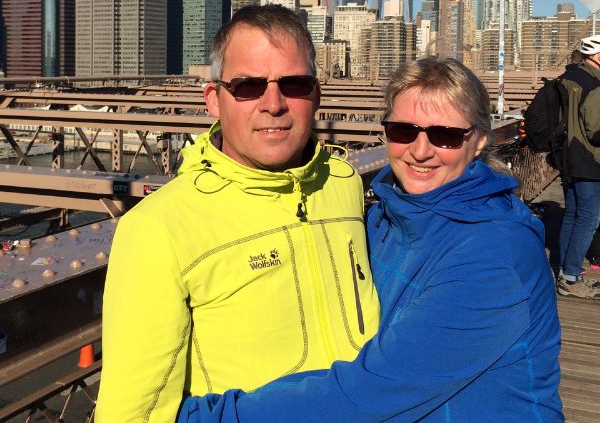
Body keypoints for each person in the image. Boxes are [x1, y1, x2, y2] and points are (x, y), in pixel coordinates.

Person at [178, 58, 563, 422]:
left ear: (478, 141)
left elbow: (369, 394)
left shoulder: (496, 254)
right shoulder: (384, 219)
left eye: (445, 136)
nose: (420, 151)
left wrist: (208, 415)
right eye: (403, 131)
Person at [95, 5, 380, 422]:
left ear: (316, 95)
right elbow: (134, 410)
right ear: (214, 99)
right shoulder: (158, 228)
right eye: (248, 86)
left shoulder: (343, 184)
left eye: (294, 84)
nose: (274, 104)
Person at [557, 35, 600, 298]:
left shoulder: (569, 77)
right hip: (589, 159)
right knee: (589, 218)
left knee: (572, 215)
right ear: (596, 56)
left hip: (568, 156)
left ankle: (565, 272)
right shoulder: (594, 84)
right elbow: (596, 131)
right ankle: (572, 278)